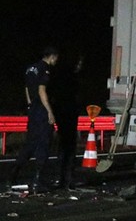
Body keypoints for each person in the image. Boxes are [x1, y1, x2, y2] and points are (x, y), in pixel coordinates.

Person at [8, 46, 60, 194]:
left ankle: (13, 175)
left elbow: (26, 88)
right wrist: (50, 111)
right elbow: (42, 90)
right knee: (43, 144)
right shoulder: (45, 69)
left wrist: (30, 105)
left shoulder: (30, 68)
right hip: (42, 111)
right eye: (56, 58)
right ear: (52, 56)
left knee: (30, 143)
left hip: (33, 111)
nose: (56, 61)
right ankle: (38, 181)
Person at [53, 54, 84, 190]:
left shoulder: (60, 78)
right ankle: (67, 179)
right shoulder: (72, 79)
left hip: (62, 115)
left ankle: (62, 178)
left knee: (64, 148)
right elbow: (75, 97)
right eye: (78, 63)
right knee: (69, 149)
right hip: (68, 115)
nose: (79, 66)